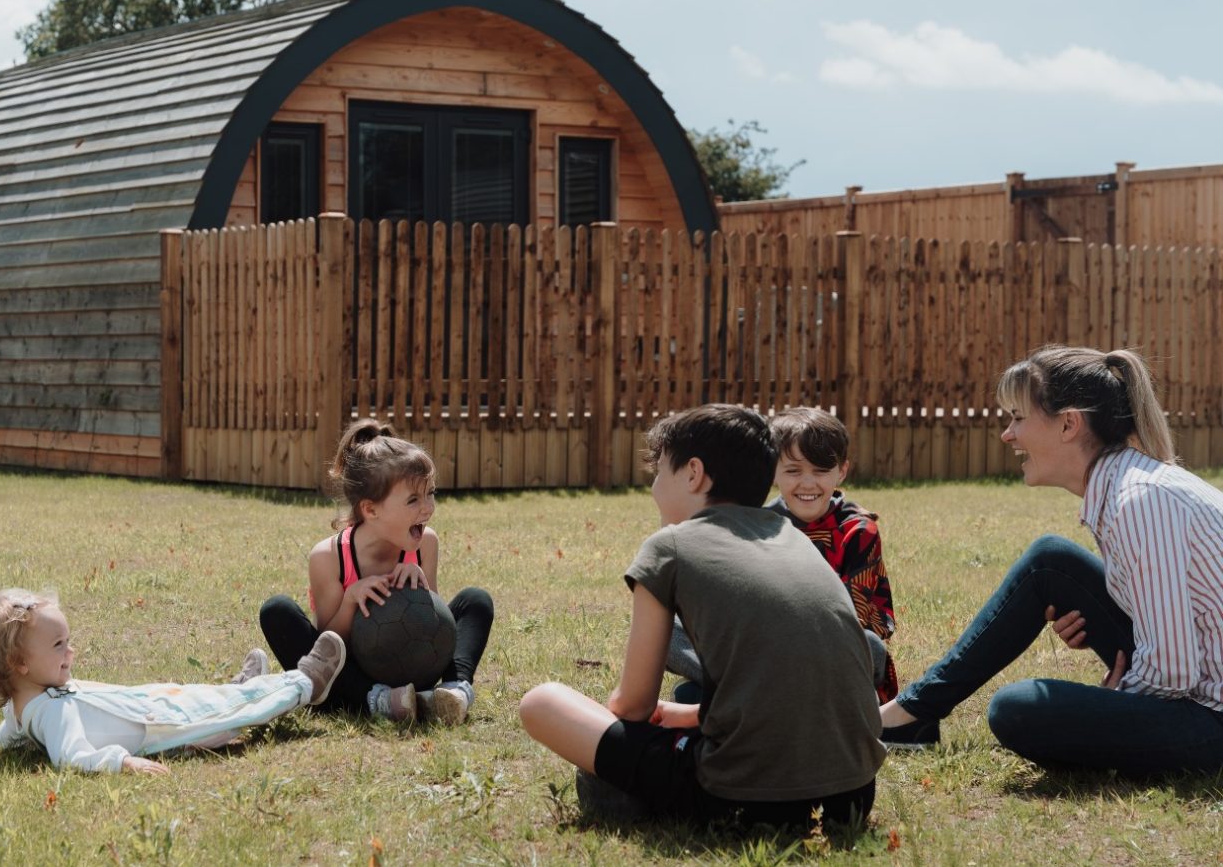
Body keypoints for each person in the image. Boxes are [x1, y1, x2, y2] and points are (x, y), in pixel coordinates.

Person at [519, 404, 884, 827]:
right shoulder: (792, 536)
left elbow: (633, 707)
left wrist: (612, 731)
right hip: (854, 796)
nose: (654, 487)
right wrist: (692, 716)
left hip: (745, 799)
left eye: (660, 473)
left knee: (542, 702)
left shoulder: (669, 546)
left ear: (693, 473)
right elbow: (777, 673)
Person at [880, 346, 1223, 774]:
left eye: (1018, 418)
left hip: (1212, 718)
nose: (1008, 434)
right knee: (1051, 562)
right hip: (1201, 680)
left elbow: (1172, 671)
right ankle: (911, 713)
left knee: (1016, 708)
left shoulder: (1138, 501)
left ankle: (907, 716)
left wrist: (1117, 701)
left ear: (1068, 424)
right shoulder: (1128, 484)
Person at [258, 419, 494, 725]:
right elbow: (326, 646)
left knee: (475, 600)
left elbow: (436, 631)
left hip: (413, 667)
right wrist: (351, 600)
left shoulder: (425, 543)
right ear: (371, 510)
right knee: (277, 610)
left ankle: (454, 692)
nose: (428, 507)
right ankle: (377, 701)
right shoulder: (329, 557)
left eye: (430, 493)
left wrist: (422, 592)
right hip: (354, 677)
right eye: (413, 499)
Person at [0, 588, 346, 774]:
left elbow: (9, 733)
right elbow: (71, 756)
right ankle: (305, 683)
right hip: (165, 728)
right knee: (224, 714)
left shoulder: (19, 706)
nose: (71, 652)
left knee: (192, 694)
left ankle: (235, 689)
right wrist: (122, 762)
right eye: (58, 645)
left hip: (141, 704)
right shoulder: (52, 715)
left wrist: (5, 743)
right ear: (19, 663)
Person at [668, 407, 899, 705]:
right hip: (762, 652)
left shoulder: (858, 531)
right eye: (793, 471)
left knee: (871, 646)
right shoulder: (755, 523)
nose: (807, 483)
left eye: (820, 470)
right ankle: (765, 697)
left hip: (829, 655)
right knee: (671, 628)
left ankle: (740, 696)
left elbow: (850, 626)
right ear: (773, 470)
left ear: (841, 471)